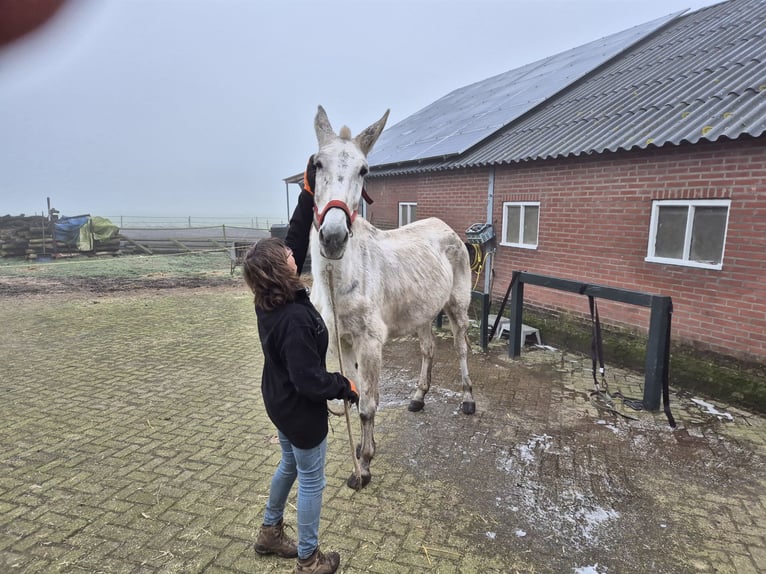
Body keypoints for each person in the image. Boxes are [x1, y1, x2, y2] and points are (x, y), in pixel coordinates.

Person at [243, 182, 357, 574]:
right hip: (299, 412)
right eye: (287, 254)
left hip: (278, 402)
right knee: (311, 480)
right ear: (280, 269)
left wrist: (308, 194)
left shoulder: (271, 296)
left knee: (289, 465)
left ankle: (270, 532)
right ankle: (308, 559)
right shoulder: (292, 319)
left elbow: (293, 238)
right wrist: (345, 387)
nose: (294, 251)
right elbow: (310, 381)